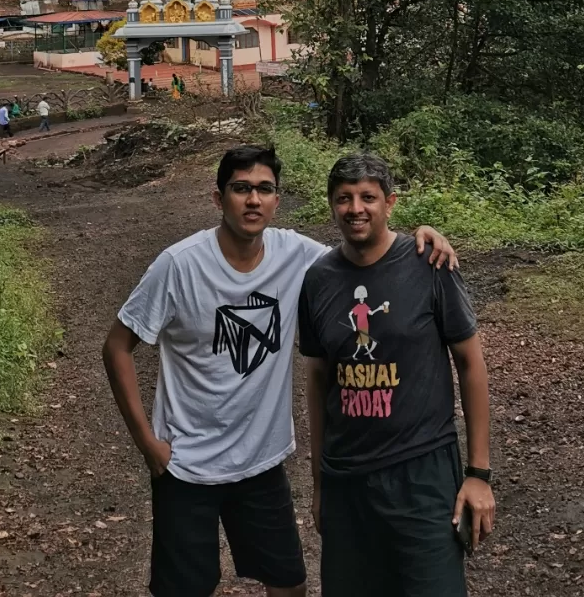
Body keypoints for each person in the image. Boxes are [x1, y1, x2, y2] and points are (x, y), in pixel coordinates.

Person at [102, 145, 457, 597]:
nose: (253, 200)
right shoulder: (179, 265)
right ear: (219, 199)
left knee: (289, 585)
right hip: (187, 465)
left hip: (261, 462)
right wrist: (147, 444)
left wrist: (420, 240)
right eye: (241, 189)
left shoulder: (299, 256)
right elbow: (117, 347)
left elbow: (362, 249)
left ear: (277, 200)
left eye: (264, 189)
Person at [299, 151, 495, 597]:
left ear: (390, 202)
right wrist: (319, 485)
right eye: (344, 198)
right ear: (331, 204)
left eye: (368, 197)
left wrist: (478, 475)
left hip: (422, 474)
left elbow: (471, 363)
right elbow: (317, 381)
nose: (355, 209)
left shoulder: (430, 265)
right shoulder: (318, 280)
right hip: (347, 481)